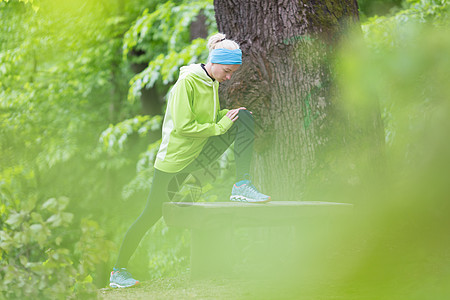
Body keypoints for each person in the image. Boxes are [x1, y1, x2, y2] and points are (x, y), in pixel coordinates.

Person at [109, 33, 271, 288]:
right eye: (227, 71)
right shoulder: (188, 82)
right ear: (214, 62)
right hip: (175, 163)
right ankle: (118, 272)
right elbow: (184, 126)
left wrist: (225, 115)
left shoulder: (212, 81)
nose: (229, 78)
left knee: (244, 118)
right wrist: (220, 127)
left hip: (199, 153)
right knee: (151, 214)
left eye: (232, 73)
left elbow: (208, 117)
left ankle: (241, 184)